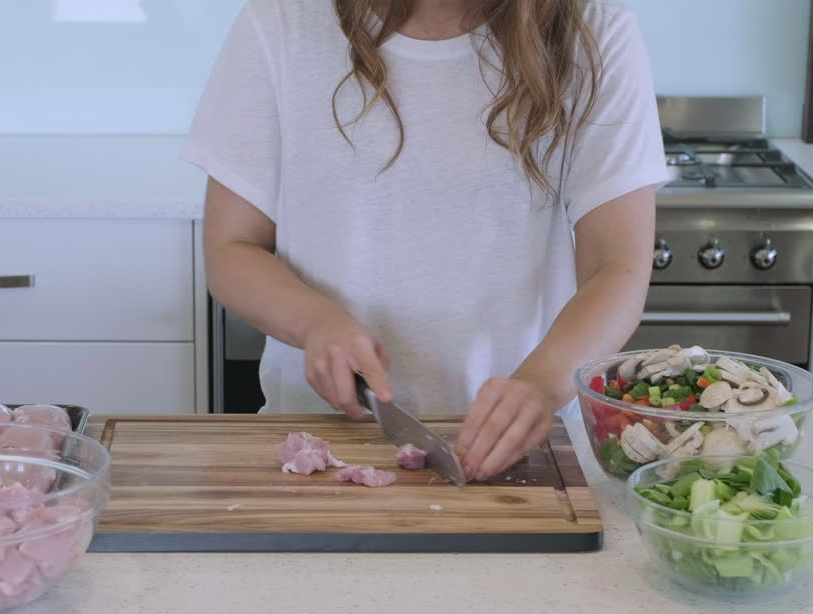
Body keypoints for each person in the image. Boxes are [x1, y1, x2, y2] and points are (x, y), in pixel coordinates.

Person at [183, 0, 667, 481]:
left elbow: (617, 267)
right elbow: (232, 247)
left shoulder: (595, 33)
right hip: (318, 451)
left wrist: (542, 384)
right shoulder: (282, 23)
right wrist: (314, 322)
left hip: (524, 457)